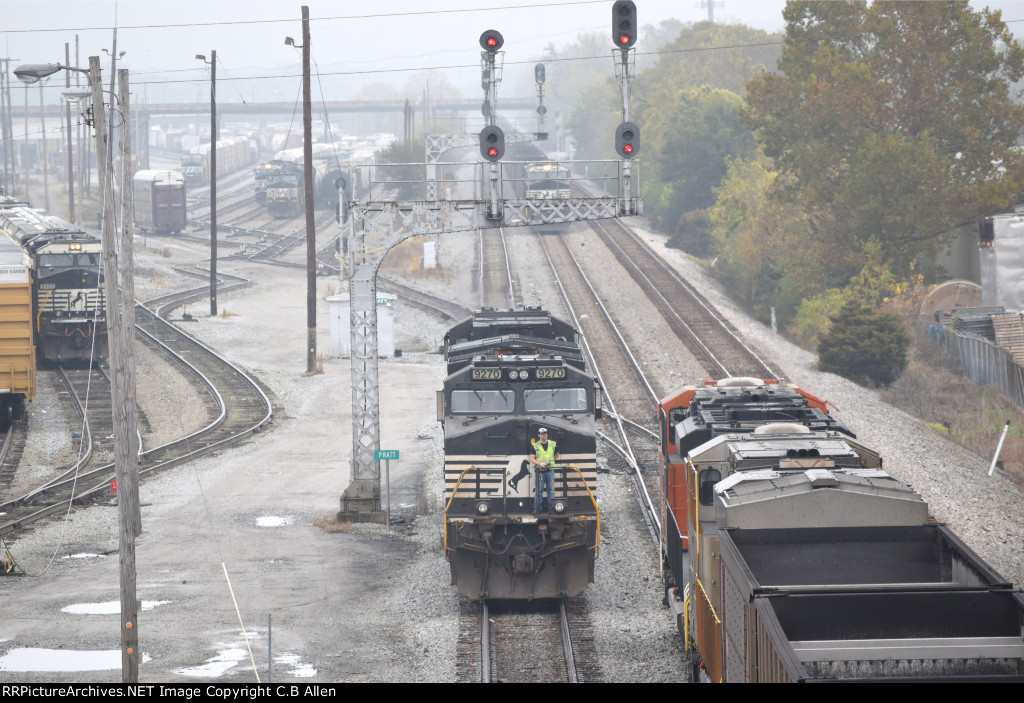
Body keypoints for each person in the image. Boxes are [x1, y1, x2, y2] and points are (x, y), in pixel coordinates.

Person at [529, 427, 559, 513]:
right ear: (539, 435)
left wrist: (552, 460)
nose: (544, 435)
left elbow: (557, 454)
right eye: (542, 433)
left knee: (551, 492)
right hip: (540, 472)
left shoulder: (552, 444)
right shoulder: (535, 446)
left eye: (545, 433)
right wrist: (540, 463)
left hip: (550, 471)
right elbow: (532, 458)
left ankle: (552, 511)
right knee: (539, 492)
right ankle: (537, 510)